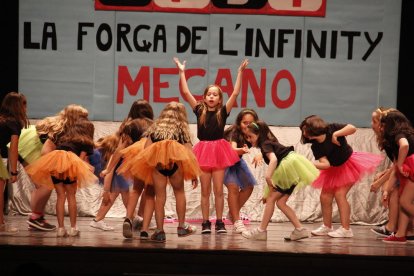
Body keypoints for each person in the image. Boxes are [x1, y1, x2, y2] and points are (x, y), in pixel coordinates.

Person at [173, 57, 248, 234]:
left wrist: (240, 73)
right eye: (209, 94)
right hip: (204, 151)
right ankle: (206, 222)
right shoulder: (199, 110)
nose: (212, 96)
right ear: (205, 98)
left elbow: (235, 93)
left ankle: (220, 221)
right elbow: (185, 92)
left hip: (219, 150)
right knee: (205, 190)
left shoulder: (223, 111)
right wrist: (182, 72)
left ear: (220, 99)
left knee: (218, 191)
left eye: (215, 94)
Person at [120, 102, 200, 242]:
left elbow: (146, 150)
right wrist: (193, 174)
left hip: (158, 166)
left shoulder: (155, 130)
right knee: (179, 193)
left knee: (159, 198)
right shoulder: (182, 132)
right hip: (176, 165)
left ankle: (159, 231)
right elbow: (189, 153)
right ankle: (181, 227)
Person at [299, 115, 383, 238]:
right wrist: (309, 164)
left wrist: (336, 134)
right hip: (333, 169)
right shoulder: (316, 146)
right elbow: (326, 164)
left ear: (312, 130)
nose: (303, 132)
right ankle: (327, 226)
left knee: (340, 194)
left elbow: (352, 128)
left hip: (349, 165)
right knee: (325, 196)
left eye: (304, 129)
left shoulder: (331, 128)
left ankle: (346, 229)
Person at [242, 121, 319, 241]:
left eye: (250, 136)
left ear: (259, 134)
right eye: (247, 137)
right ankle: (300, 229)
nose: (249, 139)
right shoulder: (270, 141)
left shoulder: (265, 144)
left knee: (271, 199)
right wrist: (267, 192)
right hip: (293, 167)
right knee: (281, 202)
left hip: (288, 167)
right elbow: (277, 169)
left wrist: (268, 177)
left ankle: (261, 231)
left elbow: (274, 160)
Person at [26, 109, 97, 237]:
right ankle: (73, 228)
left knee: (60, 195)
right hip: (69, 160)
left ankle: (60, 228)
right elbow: (80, 159)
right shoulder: (85, 140)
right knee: (71, 195)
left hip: (56, 159)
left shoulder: (66, 133)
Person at [97, 99, 155, 237]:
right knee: (150, 193)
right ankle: (145, 228)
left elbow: (119, 150)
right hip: (151, 157)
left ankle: (129, 218)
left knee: (135, 190)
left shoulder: (129, 125)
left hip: (135, 158)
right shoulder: (155, 125)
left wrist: (108, 169)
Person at [223, 108, 261, 234]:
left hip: (237, 161)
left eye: (251, 123)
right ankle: (236, 221)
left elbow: (264, 145)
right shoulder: (234, 132)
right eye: (245, 123)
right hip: (225, 161)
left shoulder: (255, 132)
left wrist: (260, 154)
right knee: (233, 188)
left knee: (249, 186)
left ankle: (232, 214)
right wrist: (242, 150)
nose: (247, 125)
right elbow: (232, 150)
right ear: (239, 123)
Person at [379, 110, 414, 243]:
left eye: (383, 125)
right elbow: (394, 169)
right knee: (404, 202)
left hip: (411, 165)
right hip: (409, 167)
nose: (381, 128)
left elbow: (404, 145)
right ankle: (400, 235)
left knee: (405, 202)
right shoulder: (403, 135)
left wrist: (400, 165)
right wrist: (387, 190)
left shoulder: (399, 134)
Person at [0, 92, 28, 235]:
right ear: (17, 106)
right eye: (24, 104)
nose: (26, 108)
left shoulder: (2, 120)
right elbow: (13, 148)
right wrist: (14, 171)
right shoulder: (13, 123)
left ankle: (2, 223)